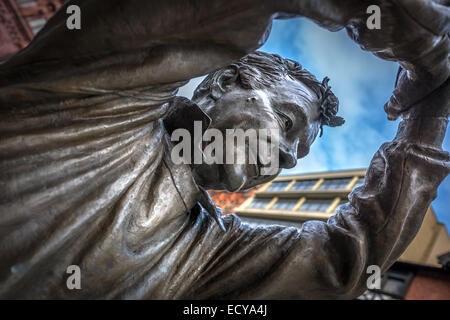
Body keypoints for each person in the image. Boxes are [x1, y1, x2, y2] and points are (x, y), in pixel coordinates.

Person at [0, 0, 448, 299]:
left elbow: (343, 260)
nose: (289, 157)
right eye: (287, 122)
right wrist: (417, 34)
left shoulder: (207, 253)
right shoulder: (103, 98)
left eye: (297, 152)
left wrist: (430, 111)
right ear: (223, 83)